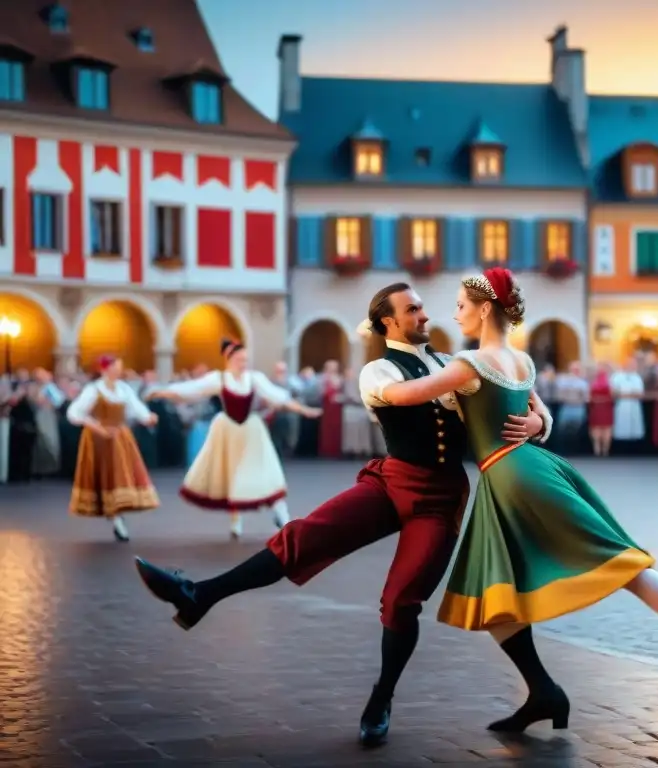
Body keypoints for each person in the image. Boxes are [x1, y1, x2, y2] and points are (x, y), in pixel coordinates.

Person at [133, 282, 549, 748]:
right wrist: (469, 378)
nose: (425, 316)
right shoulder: (377, 371)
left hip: (441, 495)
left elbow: (519, 399)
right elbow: (405, 396)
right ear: (388, 322)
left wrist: (537, 421)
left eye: (422, 307)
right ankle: (199, 594)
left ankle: (382, 698)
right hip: (392, 481)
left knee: (400, 600)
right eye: (413, 310)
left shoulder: (452, 363)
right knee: (304, 536)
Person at [371, 268, 658, 734]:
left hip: (513, 476)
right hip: (528, 468)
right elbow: (541, 411)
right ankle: (542, 692)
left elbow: (403, 394)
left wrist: (372, 378)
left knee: (620, 562)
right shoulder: (520, 361)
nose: (454, 313)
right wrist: (539, 426)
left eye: (460, 305)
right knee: (497, 593)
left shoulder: (467, 365)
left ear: (485, 308)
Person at [145, 339, 321, 539]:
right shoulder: (219, 379)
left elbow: (278, 398)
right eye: (239, 359)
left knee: (267, 470)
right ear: (228, 359)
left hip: (251, 431)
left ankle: (282, 515)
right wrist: (162, 392)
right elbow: (191, 390)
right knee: (233, 474)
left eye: (245, 359)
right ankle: (236, 521)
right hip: (228, 430)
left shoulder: (254, 378)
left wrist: (304, 410)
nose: (243, 363)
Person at [65, 355, 160, 541]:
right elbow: (74, 413)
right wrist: (98, 427)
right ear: (105, 370)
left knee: (120, 476)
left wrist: (148, 417)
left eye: (119, 368)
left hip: (120, 438)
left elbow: (135, 408)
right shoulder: (94, 389)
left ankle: (118, 517)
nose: (118, 371)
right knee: (108, 477)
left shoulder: (123, 388)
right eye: (115, 368)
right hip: (99, 439)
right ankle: (116, 517)